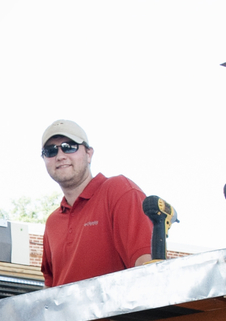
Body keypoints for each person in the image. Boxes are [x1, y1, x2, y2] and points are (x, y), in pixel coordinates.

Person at [38, 119, 156, 287]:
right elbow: (49, 292)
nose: (60, 156)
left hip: (117, 313)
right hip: (69, 314)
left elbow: (147, 269)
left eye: (69, 146)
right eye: (50, 151)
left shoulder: (118, 191)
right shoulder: (52, 223)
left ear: (89, 154)